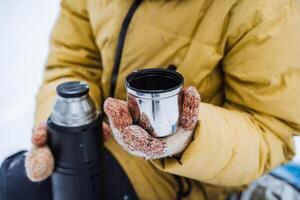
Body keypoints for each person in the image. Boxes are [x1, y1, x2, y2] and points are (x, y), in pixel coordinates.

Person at [1, 0, 300, 199]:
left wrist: (187, 139)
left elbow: (268, 128)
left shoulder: (267, 8)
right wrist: (60, 126)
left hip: (190, 179)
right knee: (14, 185)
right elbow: (74, 60)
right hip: (101, 140)